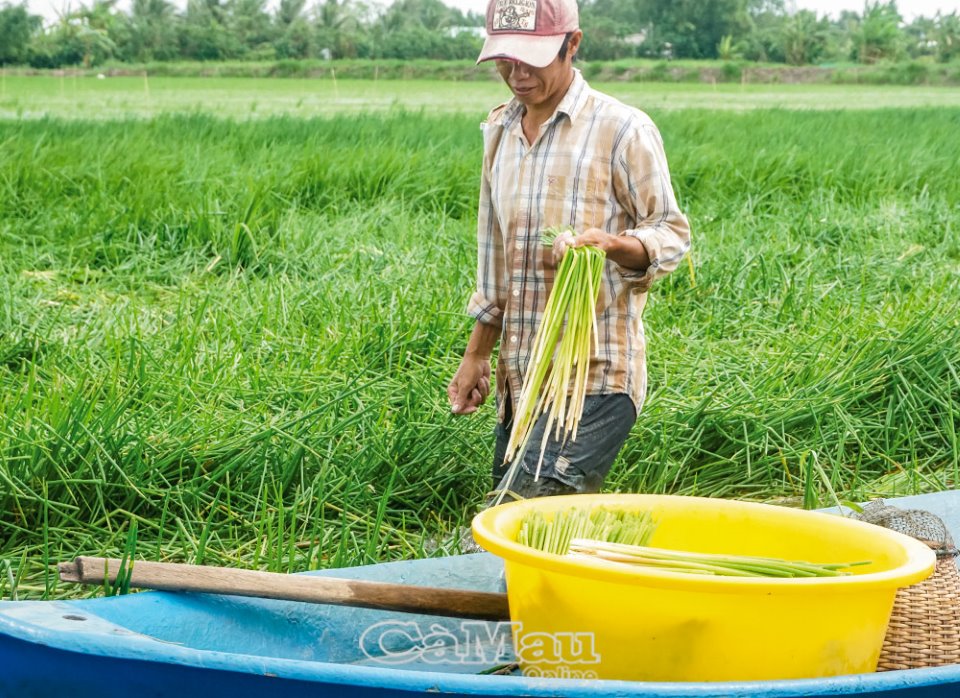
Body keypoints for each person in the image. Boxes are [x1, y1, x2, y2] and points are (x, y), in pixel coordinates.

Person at [448, 0, 691, 510]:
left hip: (596, 373)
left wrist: (613, 244)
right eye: (504, 60)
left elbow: (670, 233)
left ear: (572, 44)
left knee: (523, 514)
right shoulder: (499, 132)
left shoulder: (622, 129)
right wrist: (476, 355)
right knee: (524, 531)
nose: (516, 74)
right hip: (524, 377)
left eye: (531, 59)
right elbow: (495, 257)